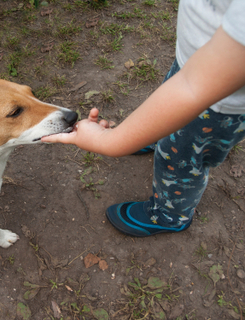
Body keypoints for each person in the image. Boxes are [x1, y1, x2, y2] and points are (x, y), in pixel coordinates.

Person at [42, 0, 245, 237]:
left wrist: (111, 141)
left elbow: (194, 88)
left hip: (218, 103)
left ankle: (170, 215)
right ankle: (157, 134)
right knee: (171, 107)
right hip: (192, 67)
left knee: (182, 157)